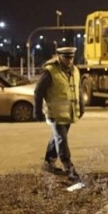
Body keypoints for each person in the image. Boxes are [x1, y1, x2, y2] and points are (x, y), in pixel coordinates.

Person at [34, 46, 84, 182]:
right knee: (62, 140)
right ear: (59, 57)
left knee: (57, 138)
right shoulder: (50, 71)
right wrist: (37, 111)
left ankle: (48, 164)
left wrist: (82, 107)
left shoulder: (75, 71)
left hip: (69, 113)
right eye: (66, 57)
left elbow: (78, 90)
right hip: (54, 114)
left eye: (71, 57)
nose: (69, 60)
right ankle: (69, 169)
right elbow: (38, 91)